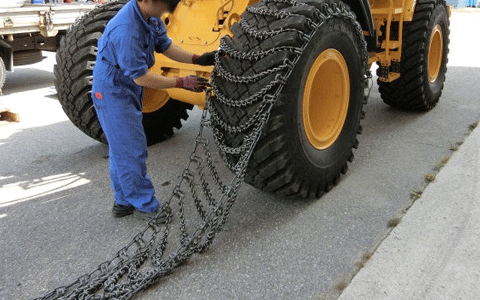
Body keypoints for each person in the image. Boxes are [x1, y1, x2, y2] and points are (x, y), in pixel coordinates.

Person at [91, 0, 215, 223]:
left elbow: (165, 45)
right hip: (112, 91)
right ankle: (145, 206)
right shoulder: (126, 30)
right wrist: (180, 82)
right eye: (166, 2)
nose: (170, 6)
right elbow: (141, 77)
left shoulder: (149, 16)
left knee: (121, 148)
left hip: (126, 86)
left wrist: (196, 59)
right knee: (132, 149)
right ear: (146, 0)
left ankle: (123, 202)